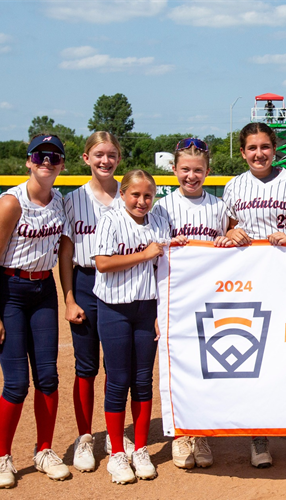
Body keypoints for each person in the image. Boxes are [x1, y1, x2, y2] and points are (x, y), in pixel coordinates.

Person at [222, 122, 286, 471]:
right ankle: (258, 437)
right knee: (256, 362)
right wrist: (233, 232)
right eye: (252, 148)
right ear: (243, 150)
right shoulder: (234, 186)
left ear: (276, 147)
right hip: (251, 284)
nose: (259, 153)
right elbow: (227, 230)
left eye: (265, 146)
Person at [0, 134, 72, 488]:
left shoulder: (59, 202)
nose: (46, 162)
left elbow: (64, 253)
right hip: (10, 292)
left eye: (54, 157)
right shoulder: (11, 203)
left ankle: (44, 450)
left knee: (48, 378)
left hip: (43, 290)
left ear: (63, 165)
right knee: (17, 383)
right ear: (28, 161)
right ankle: (2, 456)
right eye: (40, 155)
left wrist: (67, 297)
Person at [152, 138, 231, 470]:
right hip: (173, 297)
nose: (191, 176)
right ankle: (181, 434)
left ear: (208, 171)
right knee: (176, 366)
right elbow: (153, 256)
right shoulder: (161, 207)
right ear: (174, 170)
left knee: (206, 368)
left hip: (210, 297)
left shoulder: (218, 206)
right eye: (185, 169)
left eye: (198, 170)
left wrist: (230, 238)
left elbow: (232, 245)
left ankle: (201, 433)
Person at [58, 131, 131, 473]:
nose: (105, 161)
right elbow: (67, 252)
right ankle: (85, 436)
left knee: (120, 366)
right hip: (86, 282)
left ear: (119, 158)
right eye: (99, 154)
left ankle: (117, 434)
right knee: (85, 366)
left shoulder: (130, 196)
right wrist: (69, 298)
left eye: (111, 154)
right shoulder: (73, 200)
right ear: (86, 158)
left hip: (122, 283)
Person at [93, 170, 171, 484]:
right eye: (135, 195)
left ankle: (140, 449)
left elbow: (165, 265)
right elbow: (102, 263)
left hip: (146, 307)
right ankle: (116, 454)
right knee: (118, 379)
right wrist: (144, 254)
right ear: (123, 194)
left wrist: (161, 309)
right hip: (114, 307)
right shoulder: (110, 219)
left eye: (148, 195)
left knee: (142, 379)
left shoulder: (159, 221)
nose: (142, 201)